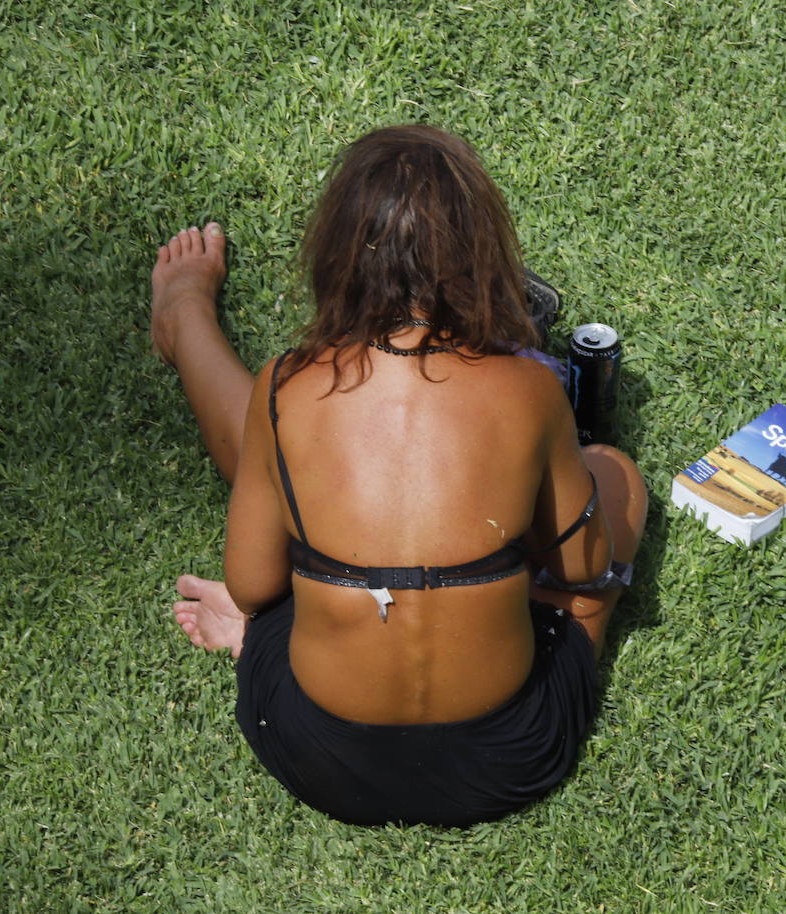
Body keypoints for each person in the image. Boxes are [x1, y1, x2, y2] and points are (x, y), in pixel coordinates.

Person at [150, 125, 647, 827]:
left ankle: (182, 315)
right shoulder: (526, 392)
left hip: (316, 753)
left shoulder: (285, 387)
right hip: (510, 755)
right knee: (615, 473)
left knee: (296, 503)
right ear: (483, 257)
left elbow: (254, 584)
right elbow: (582, 563)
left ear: (337, 256)